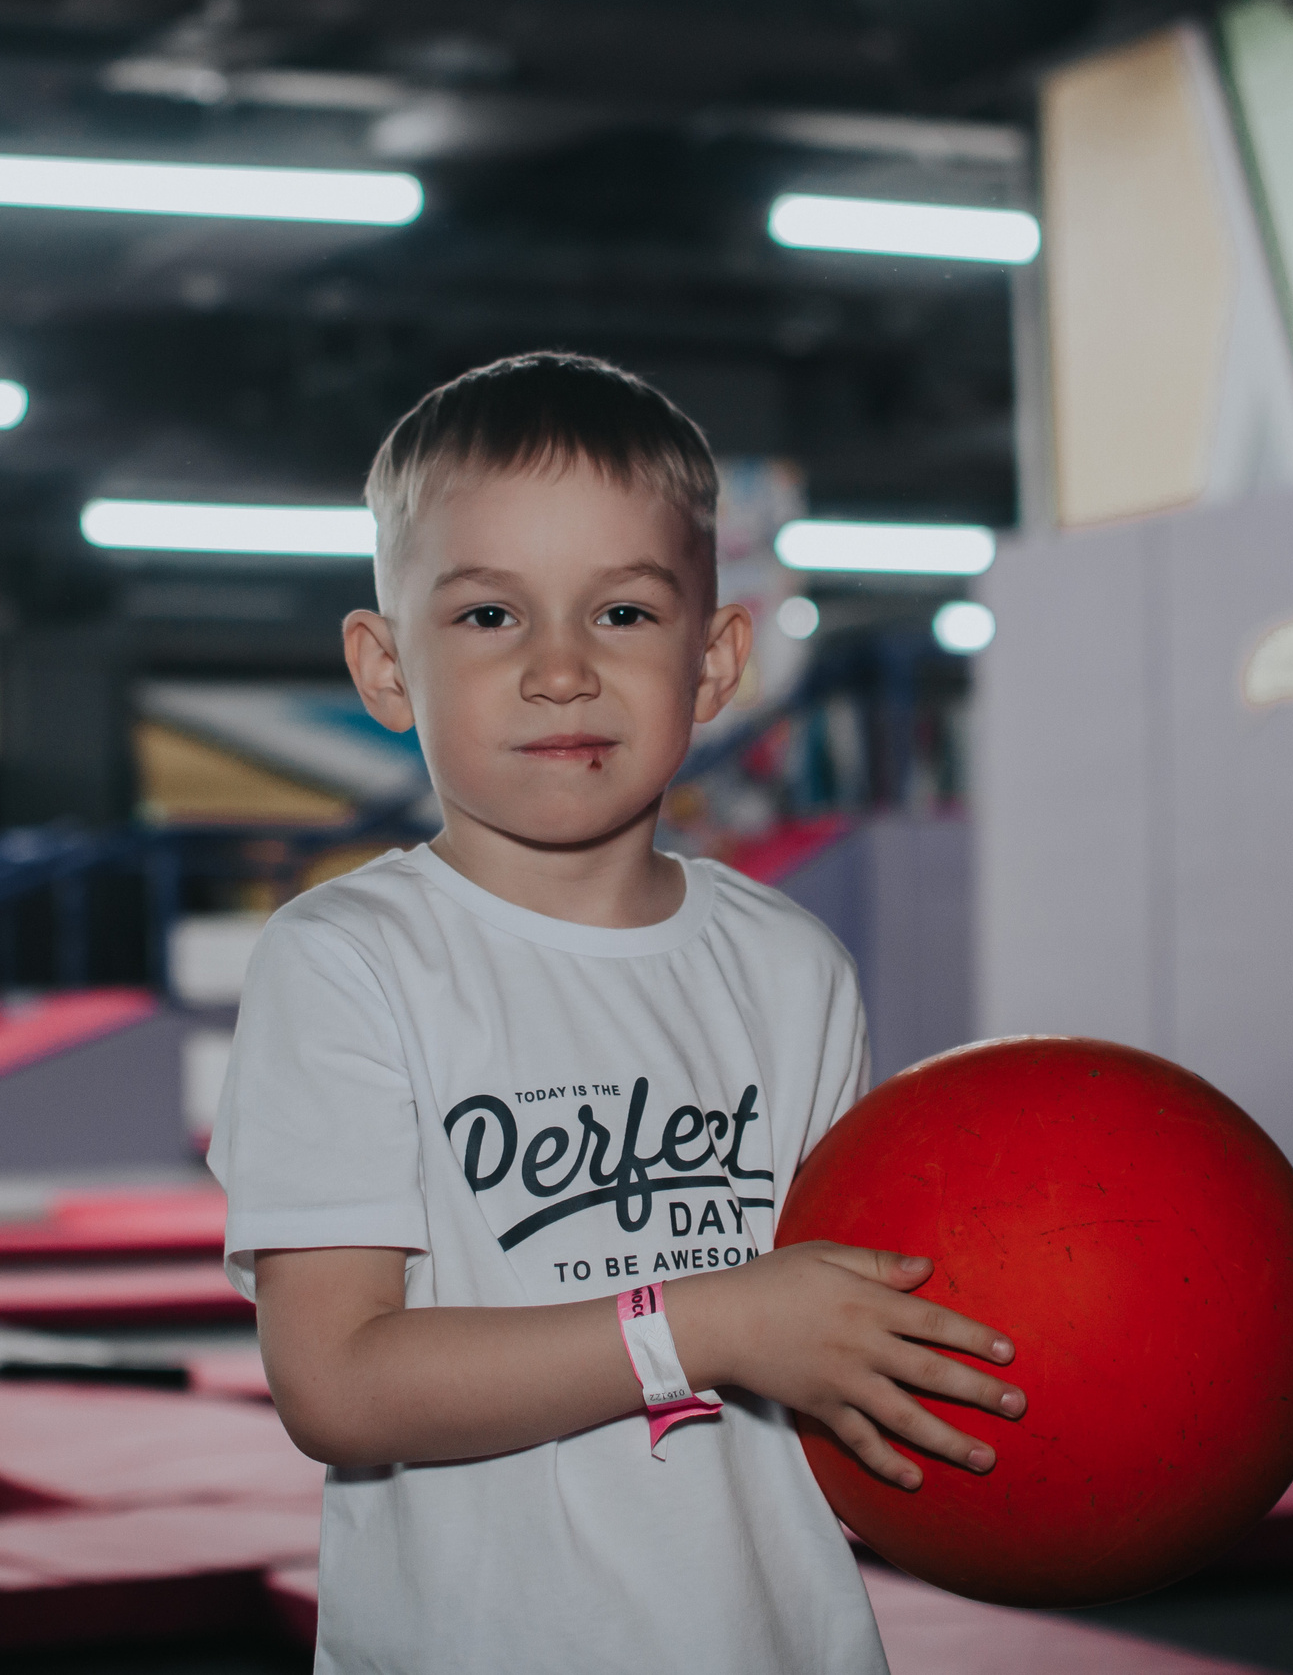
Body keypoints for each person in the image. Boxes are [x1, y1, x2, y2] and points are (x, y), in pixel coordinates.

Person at [210, 354, 1023, 1674]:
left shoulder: (791, 965)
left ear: (715, 663)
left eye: (625, 615)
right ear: (384, 665)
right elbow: (339, 1384)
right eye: (487, 617)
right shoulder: (347, 961)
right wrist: (701, 1322)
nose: (561, 671)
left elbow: (834, 1324)